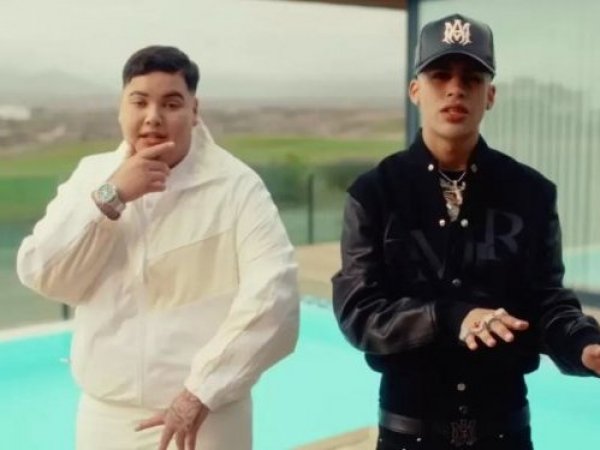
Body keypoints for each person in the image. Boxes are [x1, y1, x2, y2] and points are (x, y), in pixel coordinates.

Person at [332, 13, 600, 450]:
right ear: (415, 90)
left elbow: (547, 301)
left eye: (472, 78)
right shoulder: (374, 194)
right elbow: (359, 312)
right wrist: (449, 317)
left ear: (489, 95)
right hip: (408, 436)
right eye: (440, 75)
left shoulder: (531, 192)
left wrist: (584, 344)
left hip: (506, 433)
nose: (456, 88)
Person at [16, 45, 299, 450]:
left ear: (194, 110)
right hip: (105, 415)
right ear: (121, 108)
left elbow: (276, 297)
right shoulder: (92, 176)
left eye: (171, 103)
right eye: (140, 102)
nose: (153, 117)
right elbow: (40, 271)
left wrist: (201, 391)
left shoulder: (237, 187)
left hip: (206, 418)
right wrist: (110, 197)